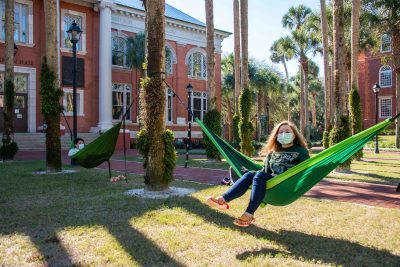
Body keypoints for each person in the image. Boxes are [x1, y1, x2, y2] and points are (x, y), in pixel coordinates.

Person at [206, 121, 310, 227]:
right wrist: (249, 173)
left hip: (286, 184)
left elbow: (306, 170)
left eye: (287, 131)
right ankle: (223, 200)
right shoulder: (272, 153)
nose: (283, 134)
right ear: (276, 135)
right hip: (272, 183)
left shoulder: (300, 152)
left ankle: (249, 213)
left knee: (258, 175)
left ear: (294, 135)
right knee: (250, 174)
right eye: (280, 132)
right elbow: (265, 172)